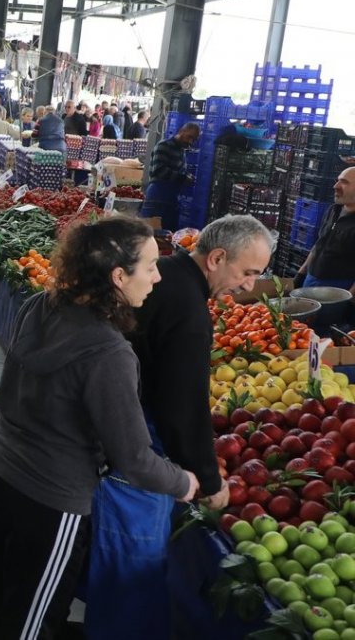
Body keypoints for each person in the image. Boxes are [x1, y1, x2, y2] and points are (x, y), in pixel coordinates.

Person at [0, 218, 200, 640]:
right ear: (118, 276)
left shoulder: (42, 304)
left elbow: (11, 387)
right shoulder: (110, 353)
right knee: (30, 621)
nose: (158, 276)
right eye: (149, 266)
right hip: (50, 499)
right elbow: (135, 459)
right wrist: (183, 482)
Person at [83, 216, 267, 637]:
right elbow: (182, 405)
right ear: (217, 257)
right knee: (133, 567)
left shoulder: (162, 273)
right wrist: (207, 474)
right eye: (247, 273)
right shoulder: (188, 311)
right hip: (135, 452)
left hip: (108, 436)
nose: (249, 286)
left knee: (114, 560)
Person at [297, 167, 355, 296]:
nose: (336, 186)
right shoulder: (334, 210)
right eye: (337, 180)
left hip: (338, 290)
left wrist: (349, 300)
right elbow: (319, 243)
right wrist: (301, 272)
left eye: (344, 182)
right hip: (311, 280)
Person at [139, 121, 200, 230]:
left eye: (194, 139)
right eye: (189, 137)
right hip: (157, 197)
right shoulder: (164, 146)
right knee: (150, 233)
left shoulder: (181, 151)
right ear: (181, 131)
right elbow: (159, 170)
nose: (190, 141)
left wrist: (186, 176)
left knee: (167, 237)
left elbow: (176, 172)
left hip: (171, 199)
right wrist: (183, 178)